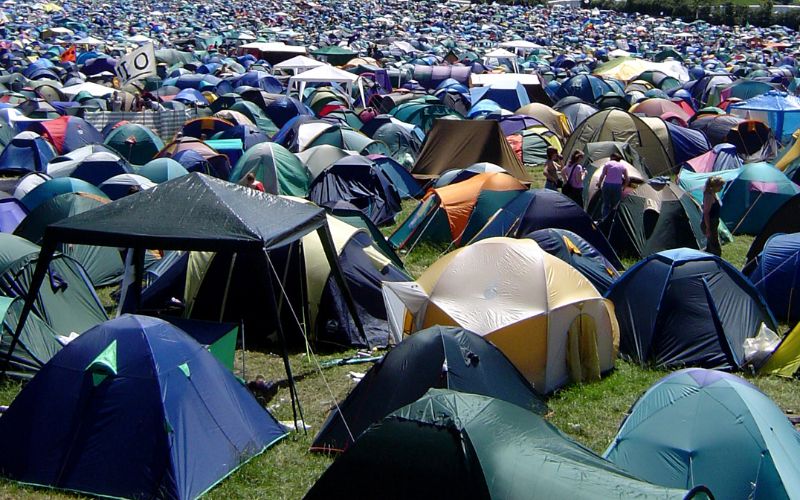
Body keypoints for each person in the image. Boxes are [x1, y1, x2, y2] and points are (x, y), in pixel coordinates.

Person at [596, 152, 629, 219]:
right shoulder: (623, 166)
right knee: (615, 205)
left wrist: (599, 183)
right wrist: (624, 187)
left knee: (606, 204)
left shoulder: (607, 164)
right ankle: (612, 220)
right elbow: (627, 179)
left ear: (613, 157)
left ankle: (604, 219)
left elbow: (602, 175)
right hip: (617, 186)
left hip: (607, 184)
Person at [703, 176, 724, 256]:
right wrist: (708, 228)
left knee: (710, 246)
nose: (722, 188)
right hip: (709, 223)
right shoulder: (709, 196)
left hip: (714, 222)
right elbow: (706, 213)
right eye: (720, 186)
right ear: (715, 186)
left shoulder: (713, 193)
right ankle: (718, 262)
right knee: (715, 247)